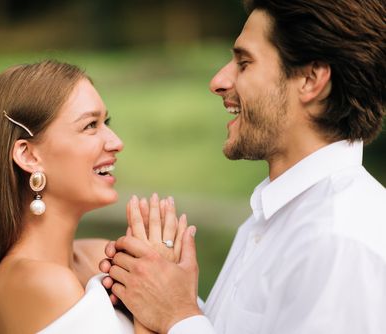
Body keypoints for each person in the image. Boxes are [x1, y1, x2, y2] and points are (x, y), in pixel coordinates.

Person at [101, 0, 386, 333]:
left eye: (244, 63)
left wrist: (177, 316)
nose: (219, 81)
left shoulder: (343, 241)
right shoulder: (269, 219)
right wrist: (159, 297)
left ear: (310, 79)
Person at [0, 60, 187, 334]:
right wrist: (160, 308)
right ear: (29, 156)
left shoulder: (101, 255)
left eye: (106, 122)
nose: (115, 142)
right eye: (90, 125)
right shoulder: (36, 283)